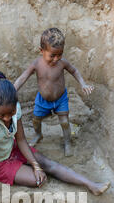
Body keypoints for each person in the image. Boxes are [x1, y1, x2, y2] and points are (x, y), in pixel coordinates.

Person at [0, 71, 110, 196]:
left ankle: (91, 185)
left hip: (12, 148)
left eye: (10, 113)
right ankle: (23, 168)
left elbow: (21, 140)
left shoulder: (14, 106)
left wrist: (35, 165)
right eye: (2, 115)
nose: (7, 118)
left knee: (48, 164)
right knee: (39, 180)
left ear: (15, 104)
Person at [14, 27, 94, 157]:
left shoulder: (62, 63)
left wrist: (83, 84)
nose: (56, 58)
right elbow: (23, 77)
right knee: (36, 119)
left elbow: (74, 71)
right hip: (42, 100)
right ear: (41, 51)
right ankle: (38, 134)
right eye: (52, 55)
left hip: (60, 99)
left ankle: (67, 142)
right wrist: (13, 89)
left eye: (60, 54)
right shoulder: (36, 64)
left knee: (64, 122)